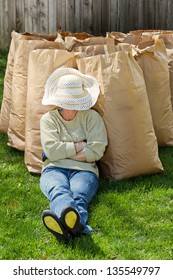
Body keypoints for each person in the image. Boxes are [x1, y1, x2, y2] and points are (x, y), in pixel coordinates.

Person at [40, 67, 108, 242]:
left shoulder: (92, 118)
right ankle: (77, 227)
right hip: (54, 169)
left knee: (78, 194)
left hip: (85, 170)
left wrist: (61, 152)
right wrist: (79, 146)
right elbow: (51, 151)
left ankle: (64, 228)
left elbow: (97, 151)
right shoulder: (48, 120)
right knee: (58, 190)